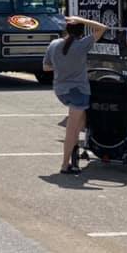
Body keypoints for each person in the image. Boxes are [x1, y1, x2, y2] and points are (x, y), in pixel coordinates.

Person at [43, 15, 108, 174]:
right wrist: (81, 19)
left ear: (66, 29)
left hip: (61, 90)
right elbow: (103, 28)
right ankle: (65, 165)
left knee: (81, 120)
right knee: (72, 131)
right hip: (79, 91)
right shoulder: (82, 44)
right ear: (81, 32)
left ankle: (76, 149)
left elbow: (46, 67)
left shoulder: (54, 44)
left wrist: (62, 67)